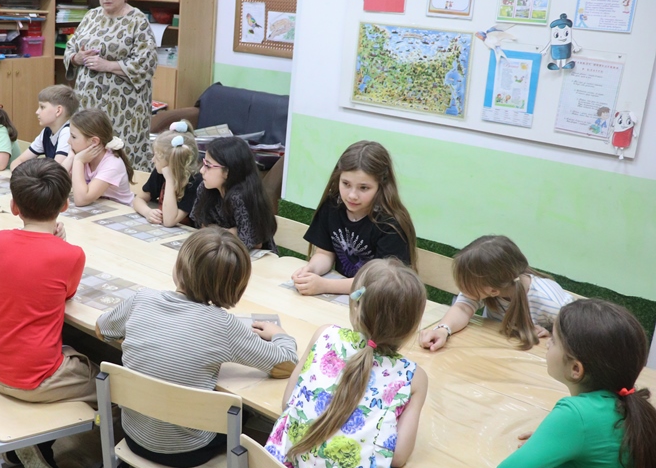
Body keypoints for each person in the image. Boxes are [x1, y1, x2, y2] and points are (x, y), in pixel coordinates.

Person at [229, 259, 465, 468]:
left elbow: (288, 401)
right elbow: (398, 456)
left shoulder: (324, 335)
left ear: (355, 307)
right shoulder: (412, 376)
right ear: (413, 326)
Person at [454, 300, 656, 468]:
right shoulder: (635, 405)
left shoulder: (575, 414)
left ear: (576, 369)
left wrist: (549, 443)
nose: (548, 342)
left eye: (554, 340)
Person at [98, 227, 297, 468]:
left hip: (133, 435)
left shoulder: (141, 300)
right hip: (189, 451)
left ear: (179, 266)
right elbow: (287, 364)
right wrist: (280, 335)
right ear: (235, 284)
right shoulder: (223, 325)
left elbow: (102, 329)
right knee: (244, 411)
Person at [0, 158, 92, 468]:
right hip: (32, 378)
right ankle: (38, 437)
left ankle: (29, 434)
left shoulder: (0, 241)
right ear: (65, 205)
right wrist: (60, 244)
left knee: (65, 350)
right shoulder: (71, 254)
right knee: (106, 378)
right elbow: (68, 293)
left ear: (14, 207)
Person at [63, 0, 157, 171]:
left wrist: (108, 65)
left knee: (121, 155)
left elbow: (147, 62)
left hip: (124, 107)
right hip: (89, 102)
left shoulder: (137, 20)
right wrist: (77, 57)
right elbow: (70, 48)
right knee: (90, 150)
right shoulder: (91, 16)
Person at [291, 141, 416, 296]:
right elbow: (325, 253)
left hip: (378, 300)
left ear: (381, 186)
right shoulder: (331, 206)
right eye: (346, 184)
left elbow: (380, 282)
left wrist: (325, 285)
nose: (352, 195)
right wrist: (311, 270)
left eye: (363, 188)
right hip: (344, 297)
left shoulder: (391, 225)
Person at [420, 235, 573, 352]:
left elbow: (579, 337)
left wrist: (553, 336)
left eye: (466, 285)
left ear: (493, 291)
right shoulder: (494, 286)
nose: (462, 289)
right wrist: (443, 330)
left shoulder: (551, 302)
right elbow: (463, 308)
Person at [190, 136, 277, 252]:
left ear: (227, 171)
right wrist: (233, 231)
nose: (201, 170)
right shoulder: (205, 188)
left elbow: (254, 243)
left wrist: (217, 231)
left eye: (208, 166)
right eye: (203, 162)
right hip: (219, 251)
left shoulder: (241, 196)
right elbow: (201, 225)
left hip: (254, 256)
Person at [131, 120, 201, 228]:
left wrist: (169, 179)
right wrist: (147, 212)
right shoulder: (160, 172)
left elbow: (169, 221)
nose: (153, 160)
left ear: (173, 162)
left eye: (157, 158)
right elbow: (138, 199)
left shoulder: (195, 181)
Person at [66, 108, 134, 207]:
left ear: (94, 142)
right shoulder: (83, 156)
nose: (68, 141)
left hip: (121, 212)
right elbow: (54, 185)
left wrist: (78, 161)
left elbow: (81, 200)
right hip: (96, 209)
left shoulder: (112, 163)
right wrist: (70, 158)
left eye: (73, 137)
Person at [10, 85, 79, 169]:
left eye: (42, 107)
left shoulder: (68, 132)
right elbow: (18, 162)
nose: (37, 112)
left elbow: (56, 170)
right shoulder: (47, 131)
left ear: (58, 111)